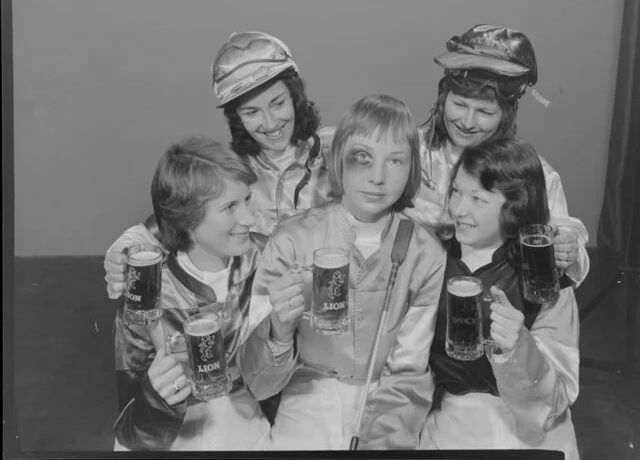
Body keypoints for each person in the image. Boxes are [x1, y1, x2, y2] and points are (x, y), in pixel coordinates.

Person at [238, 95, 447, 450]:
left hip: (389, 400)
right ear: (337, 160)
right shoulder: (291, 239)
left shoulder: (425, 252)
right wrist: (278, 330)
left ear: (413, 168)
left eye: (395, 161)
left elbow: (408, 370)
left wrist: (379, 440)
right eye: (361, 158)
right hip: (307, 396)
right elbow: (258, 383)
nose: (378, 177)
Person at [104, 31, 334, 299]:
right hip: (255, 320)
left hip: (330, 311)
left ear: (295, 97)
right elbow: (169, 224)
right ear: (236, 117)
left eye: (278, 103)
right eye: (251, 112)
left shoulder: (338, 152)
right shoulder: (227, 171)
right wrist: (125, 248)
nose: (270, 123)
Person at [418, 136, 580, 460]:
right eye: (455, 192)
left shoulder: (543, 276)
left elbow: (559, 395)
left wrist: (519, 350)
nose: (459, 209)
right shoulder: (432, 258)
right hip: (451, 429)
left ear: (514, 206)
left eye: (478, 199)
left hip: (536, 438)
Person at [113, 136, 272, 451]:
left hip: (249, 433)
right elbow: (131, 431)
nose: (251, 218)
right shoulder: (147, 291)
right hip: (172, 440)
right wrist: (154, 396)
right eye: (230, 207)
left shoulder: (267, 259)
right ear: (186, 220)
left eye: (248, 200)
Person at [406, 24, 589, 286]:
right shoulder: (409, 149)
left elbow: (564, 233)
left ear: (506, 115)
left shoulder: (529, 170)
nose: (467, 122)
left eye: (485, 112)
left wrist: (567, 246)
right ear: (443, 98)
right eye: (459, 105)